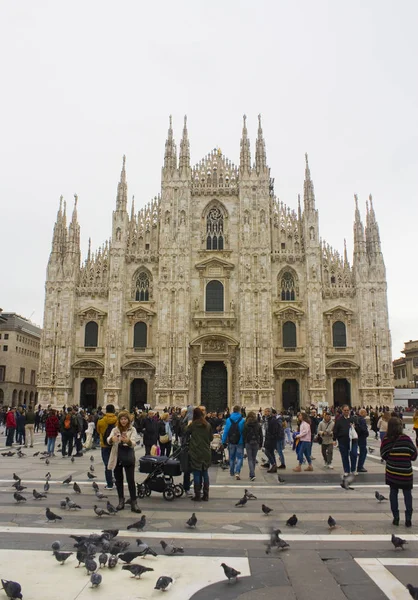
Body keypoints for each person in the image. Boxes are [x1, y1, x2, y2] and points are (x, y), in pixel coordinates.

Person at [381, 417, 417, 527]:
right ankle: (408, 519)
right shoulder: (406, 439)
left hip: (392, 472)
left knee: (393, 493)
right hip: (405, 472)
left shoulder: (386, 440)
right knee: (407, 494)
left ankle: (396, 518)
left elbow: (383, 455)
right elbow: (414, 456)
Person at [107, 410, 141, 513]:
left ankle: (134, 502)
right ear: (119, 420)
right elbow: (108, 440)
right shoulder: (115, 429)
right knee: (118, 480)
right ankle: (121, 501)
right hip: (117, 456)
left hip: (128, 456)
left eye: (125, 419)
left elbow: (134, 443)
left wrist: (128, 441)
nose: (123, 421)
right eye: (121, 419)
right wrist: (112, 439)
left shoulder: (132, 429)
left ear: (128, 420)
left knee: (131, 480)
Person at [188, 407, 213, 501]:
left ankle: (197, 495)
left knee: (197, 474)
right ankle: (206, 495)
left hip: (196, 452)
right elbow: (211, 438)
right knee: (205, 473)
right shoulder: (208, 425)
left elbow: (185, 431)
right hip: (206, 452)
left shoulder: (193, 425)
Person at [97, 404, 118, 490]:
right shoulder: (117, 421)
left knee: (107, 465)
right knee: (116, 464)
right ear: (113, 411)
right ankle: (117, 482)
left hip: (104, 445)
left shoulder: (101, 421)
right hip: (114, 444)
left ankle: (109, 484)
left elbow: (98, 431)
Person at [333, 404, 358, 476]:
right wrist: (334, 439)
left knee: (354, 454)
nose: (346, 411)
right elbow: (335, 430)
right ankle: (346, 470)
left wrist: (355, 427)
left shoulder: (353, 419)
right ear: (342, 411)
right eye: (345, 410)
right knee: (344, 456)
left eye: (347, 410)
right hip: (342, 440)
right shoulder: (339, 420)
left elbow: (358, 429)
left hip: (353, 440)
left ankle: (353, 469)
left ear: (349, 411)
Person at [222, 405, 245, 480]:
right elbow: (244, 432)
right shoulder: (242, 420)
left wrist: (223, 441)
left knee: (231, 457)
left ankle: (232, 471)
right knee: (239, 457)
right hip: (240, 441)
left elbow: (225, 431)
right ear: (239, 411)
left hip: (231, 441)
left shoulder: (229, 419)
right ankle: (237, 472)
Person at [243, 411, 263, 481]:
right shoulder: (258, 424)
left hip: (248, 443)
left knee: (250, 459)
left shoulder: (246, 424)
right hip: (256, 443)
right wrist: (261, 444)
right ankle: (252, 473)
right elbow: (261, 435)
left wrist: (244, 443)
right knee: (254, 459)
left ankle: (252, 474)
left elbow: (244, 435)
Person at [262, 407, 280, 473]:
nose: (265, 413)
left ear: (270, 412)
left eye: (266, 411)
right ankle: (274, 467)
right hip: (269, 438)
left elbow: (274, 430)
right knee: (271, 453)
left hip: (271, 439)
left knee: (267, 451)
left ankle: (273, 464)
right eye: (265, 411)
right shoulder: (268, 419)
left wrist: (271, 436)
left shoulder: (272, 420)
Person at [356, 408, 369, 472]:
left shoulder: (357, 418)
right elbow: (363, 429)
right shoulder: (362, 420)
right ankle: (360, 466)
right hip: (362, 438)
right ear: (362, 413)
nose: (366, 413)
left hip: (357, 437)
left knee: (362, 451)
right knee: (363, 452)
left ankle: (359, 466)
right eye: (365, 412)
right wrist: (367, 433)